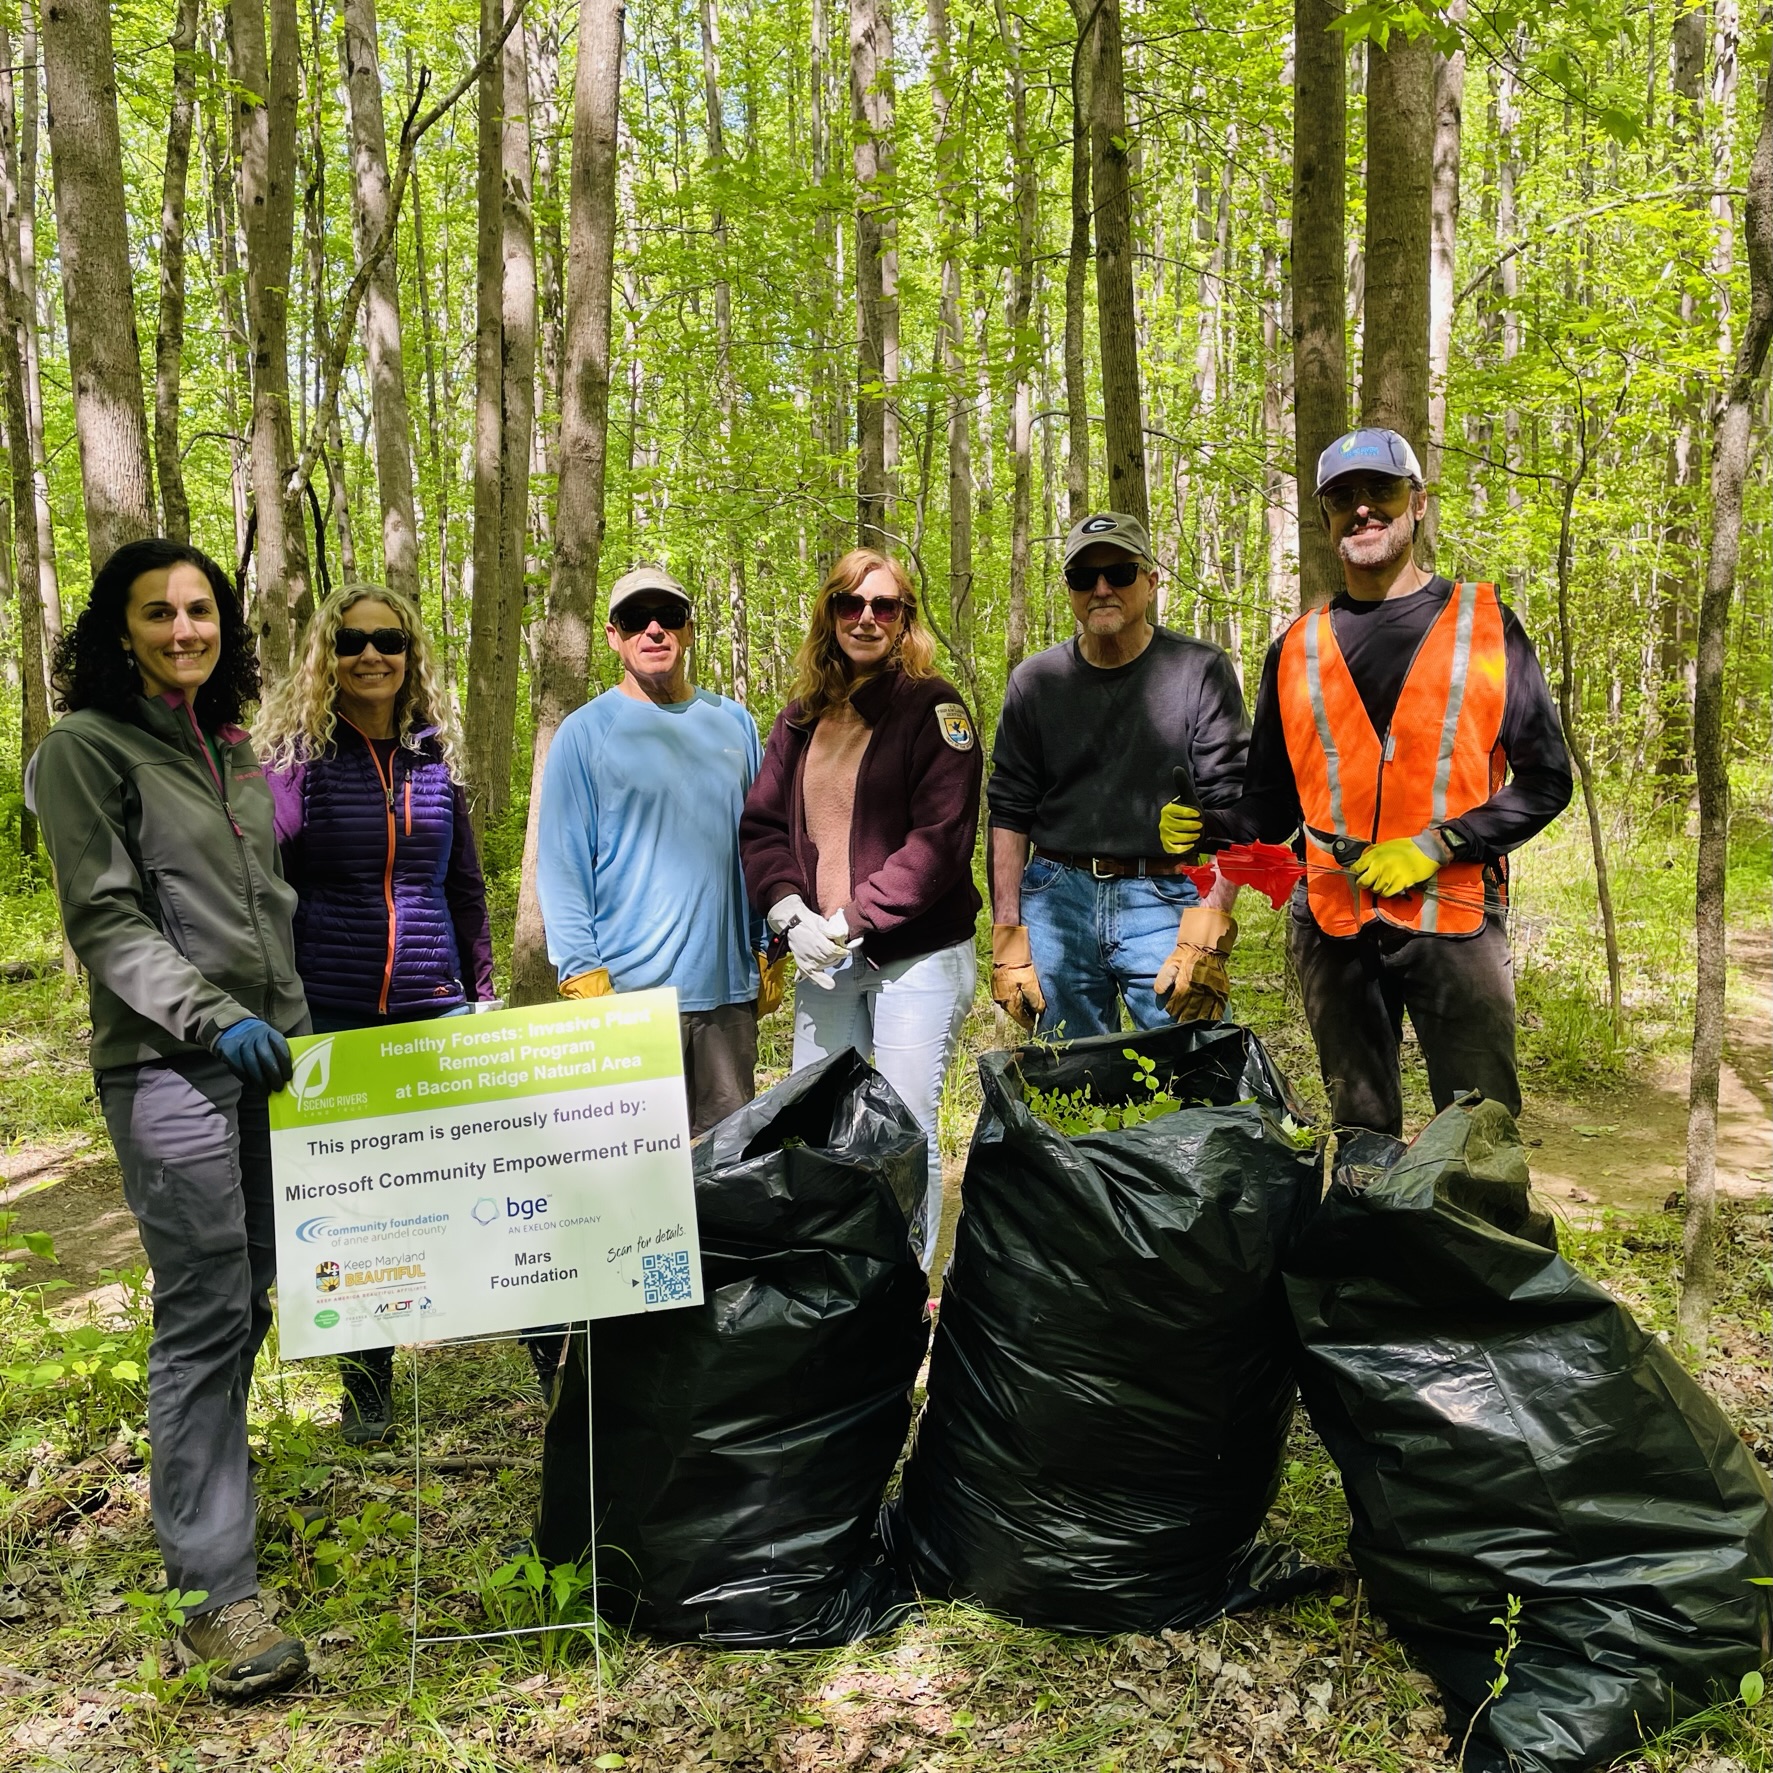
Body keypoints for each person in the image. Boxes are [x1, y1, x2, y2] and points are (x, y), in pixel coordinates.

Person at [27, 539, 309, 1700]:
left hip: (267, 1066)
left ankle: (211, 1510)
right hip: (169, 1071)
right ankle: (212, 1597)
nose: (184, 629)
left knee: (249, 1297)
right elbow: (105, 919)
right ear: (118, 628)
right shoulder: (82, 752)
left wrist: (290, 1024)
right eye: (159, 613)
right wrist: (208, 1016)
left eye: (201, 611)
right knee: (203, 1314)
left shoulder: (230, 748)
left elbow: (265, 906)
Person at [1161, 427, 1573, 1134]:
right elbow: (1271, 808)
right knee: (1360, 1131)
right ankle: (1370, 1242)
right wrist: (1210, 825)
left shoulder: (1485, 626)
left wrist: (1440, 842)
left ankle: (1479, 1244)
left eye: (1379, 491)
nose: (1362, 509)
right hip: (1331, 922)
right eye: (1341, 498)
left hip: (1455, 915)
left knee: (1478, 1134)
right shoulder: (1294, 647)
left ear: (1416, 503)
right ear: (1323, 519)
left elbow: (1546, 781)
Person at [256, 583, 499, 1443]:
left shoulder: (434, 756)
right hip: (336, 1009)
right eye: (353, 640)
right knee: (357, 1203)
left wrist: (482, 989)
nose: (371, 655)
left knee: (470, 1179)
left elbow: (462, 885)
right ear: (329, 652)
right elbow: (264, 882)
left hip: (435, 1004)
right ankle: (368, 1385)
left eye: (387, 640)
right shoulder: (299, 760)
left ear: (409, 652)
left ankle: (532, 1339)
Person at [740, 550, 983, 1266]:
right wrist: (787, 911)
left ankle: (906, 1294)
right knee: (820, 1124)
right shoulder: (799, 718)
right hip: (822, 958)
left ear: (905, 618)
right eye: (851, 604)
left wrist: (851, 918)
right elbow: (763, 828)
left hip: (915, 955)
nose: (867, 618)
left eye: (885, 605)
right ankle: (837, 1282)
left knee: (903, 1130)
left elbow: (939, 843)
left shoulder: (933, 708)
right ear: (830, 614)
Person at [534, 565, 780, 1135]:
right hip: (627, 997)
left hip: (726, 994)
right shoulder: (584, 733)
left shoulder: (734, 722)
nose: (653, 631)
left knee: (726, 1172)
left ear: (688, 631)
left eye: (668, 618)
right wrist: (581, 970)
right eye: (635, 620)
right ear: (613, 634)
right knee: (638, 1179)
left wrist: (769, 944)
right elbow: (563, 865)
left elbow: (759, 843)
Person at [986, 511, 1249, 1039]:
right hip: (1057, 900)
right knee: (1069, 1083)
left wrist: (1208, 932)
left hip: (1167, 896)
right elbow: (1009, 812)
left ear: (1150, 583)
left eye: (1120, 573)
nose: (1102, 588)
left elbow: (1234, 806)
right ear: (1069, 591)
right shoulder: (1035, 682)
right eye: (1084, 577)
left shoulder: (1199, 670)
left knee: (1193, 1070)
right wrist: (1008, 938)